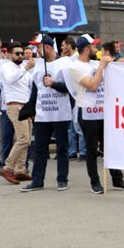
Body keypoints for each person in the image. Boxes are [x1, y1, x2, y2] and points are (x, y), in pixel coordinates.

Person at [66, 34, 124, 193]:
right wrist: (102, 66)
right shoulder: (75, 67)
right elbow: (93, 85)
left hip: (103, 111)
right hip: (87, 111)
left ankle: (118, 179)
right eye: (94, 47)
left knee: (109, 146)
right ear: (86, 49)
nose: (97, 50)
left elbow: (115, 70)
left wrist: (118, 63)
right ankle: (95, 181)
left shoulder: (95, 63)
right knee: (91, 149)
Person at [23, 36, 72, 191]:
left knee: (62, 147)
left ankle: (62, 179)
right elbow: (35, 89)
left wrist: (54, 84)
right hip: (42, 113)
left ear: (48, 47)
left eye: (39, 47)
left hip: (60, 113)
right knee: (40, 148)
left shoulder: (64, 63)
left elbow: (70, 87)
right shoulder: (38, 65)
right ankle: (37, 181)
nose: (36, 51)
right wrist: (31, 108)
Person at [0, 41, 35, 184]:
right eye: (17, 53)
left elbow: (31, 82)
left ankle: (19, 170)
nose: (20, 56)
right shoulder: (6, 66)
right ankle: (7, 168)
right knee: (23, 139)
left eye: (22, 53)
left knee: (27, 140)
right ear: (8, 54)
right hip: (14, 106)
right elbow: (10, 79)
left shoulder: (22, 68)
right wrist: (26, 68)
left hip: (25, 107)